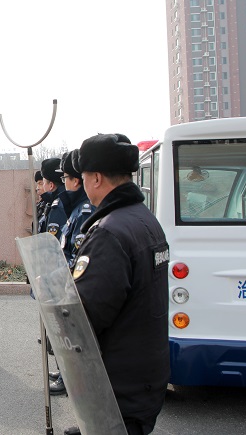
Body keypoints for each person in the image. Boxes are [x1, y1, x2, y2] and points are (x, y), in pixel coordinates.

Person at [71, 133, 170, 434]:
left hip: (118, 388)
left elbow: (85, 316)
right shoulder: (144, 219)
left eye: (83, 177)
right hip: (144, 376)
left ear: (96, 178)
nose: (84, 184)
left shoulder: (108, 233)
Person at [56, 150, 94, 268]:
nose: (64, 183)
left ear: (76, 181)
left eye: (65, 178)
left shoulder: (84, 213)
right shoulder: (77, 208)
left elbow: (80, 259)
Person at [38, 158, 66, 236]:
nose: (38, 187)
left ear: (51, 185)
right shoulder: (55, 203)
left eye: (43, 183)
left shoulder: (58, 207)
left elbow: (53, 240)